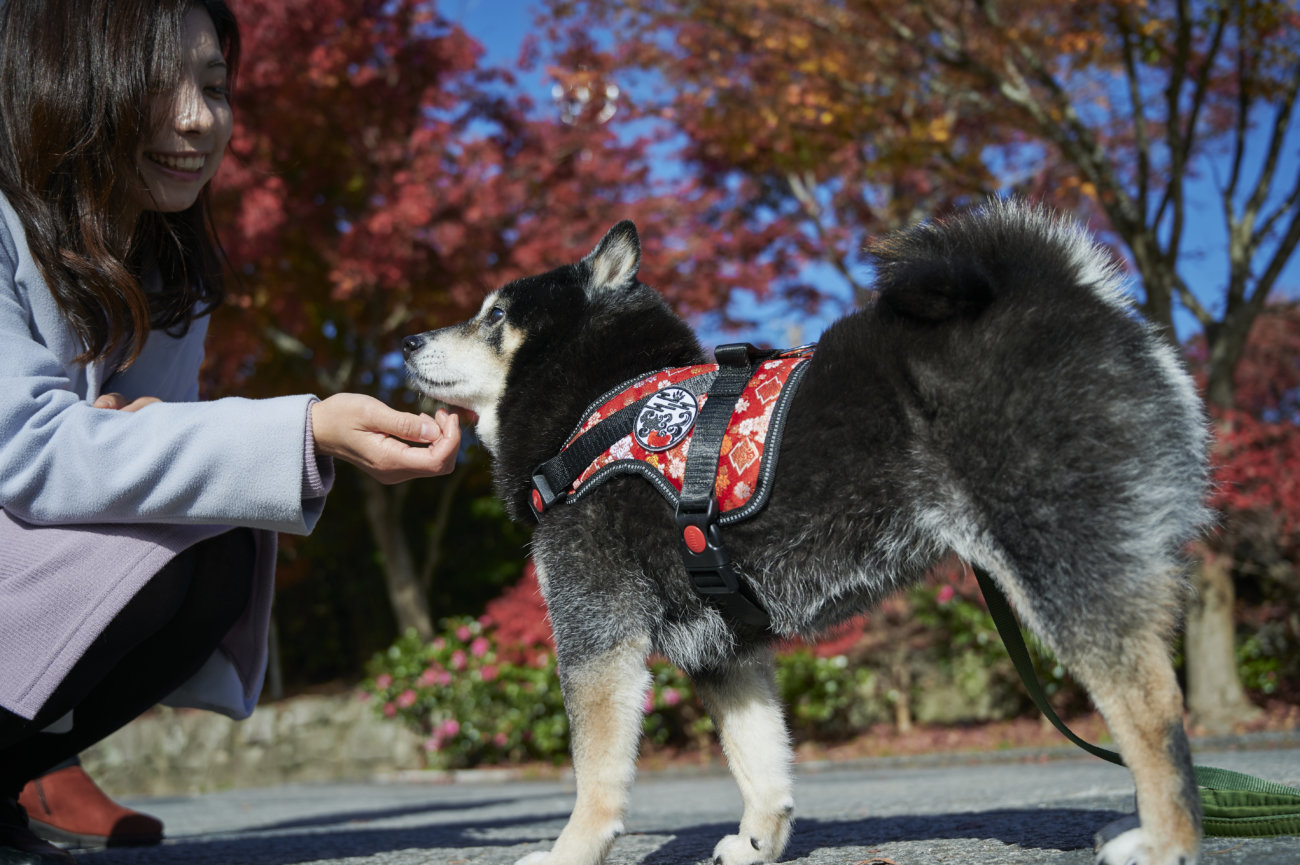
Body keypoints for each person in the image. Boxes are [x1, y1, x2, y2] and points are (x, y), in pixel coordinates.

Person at [0, 2, 461, 863]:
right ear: (65, 81)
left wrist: (144, 438)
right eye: (155, 84)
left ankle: (19, 770)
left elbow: (152, 462)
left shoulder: (166, 267)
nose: (195, 118)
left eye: (214, 86)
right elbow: (26, 451)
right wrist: (310, 427)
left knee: (219, 537)